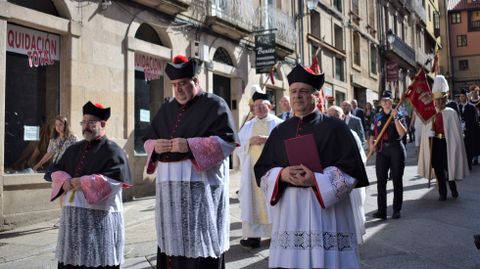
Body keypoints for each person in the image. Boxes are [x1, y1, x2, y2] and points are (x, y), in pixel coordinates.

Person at [254, 64, 369, 269]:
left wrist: (316, 179)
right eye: (294, 92)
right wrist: (281, 174)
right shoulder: (279, 131)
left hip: (324, 214)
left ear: (316, 96)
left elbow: (351, 172)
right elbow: (262, 169)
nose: (298, 96)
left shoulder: (336, 128)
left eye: (304, 91)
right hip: (289, 212)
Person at [143, 55, 238, 269]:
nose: (178, 90)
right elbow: (148, 140)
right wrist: (155, 147)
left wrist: (190, 146)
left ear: (196, 81)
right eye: (174, 85)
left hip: (201, 194)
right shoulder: (166, 108)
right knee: (172, 247)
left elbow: (228, 142)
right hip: (170, 196)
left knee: (200, 249)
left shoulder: (214, 104)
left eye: (183, 83)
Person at [47, 101, 133, 269]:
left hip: (99, 220)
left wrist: (82, 182)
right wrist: (65, 181)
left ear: (102, 124)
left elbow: (114, 181)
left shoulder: (113, 151)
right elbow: (55, 170)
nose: (86, 126)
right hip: (73, 217)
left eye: (91, 122)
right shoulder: (73, 149)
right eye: (83, 122)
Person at [236, 92, 283, 249]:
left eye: (263, 106)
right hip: (251, 173)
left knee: (272, 199)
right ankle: (253, 237)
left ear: (269, 107)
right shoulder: (248, 126)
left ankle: (274, 234)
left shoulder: (279, 124)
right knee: (251, 202)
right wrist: (249, 141)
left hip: (272, 171)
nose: (260, 109)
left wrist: (268, 140)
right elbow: (238, 146)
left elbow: (286, 143)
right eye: (257, 107)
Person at [418, 75, 469, 200]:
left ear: (445, 100)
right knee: (439, 168)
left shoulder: (451, 113)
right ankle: (442, 192)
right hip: (435, 143)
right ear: (434, 100)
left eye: (442, 100)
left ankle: (453, 188)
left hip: (448, 143)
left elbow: (455, 133)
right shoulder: (431, 113)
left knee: (449, 166)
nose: (440, 103)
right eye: (438, 100)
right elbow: (426, 129)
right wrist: (429, 132)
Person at [326, 105, 367, 244]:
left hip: (349, 178)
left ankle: (353, 237)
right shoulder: (324, 136)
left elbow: (360, 157)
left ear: (343, 117)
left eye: (336, 115)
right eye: (329, 115)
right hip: (331, 181)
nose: (332, 118)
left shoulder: (351, 134)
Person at [370, 90, 407, 220]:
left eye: (388, 100)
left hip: (396, 148)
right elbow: (372, 133)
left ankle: (396, 209)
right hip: (382, 150)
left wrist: (395, 118)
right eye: (383, 100)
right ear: (380, 103)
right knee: (381, 181)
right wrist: (371, 145)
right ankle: (381, 211)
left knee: (397, 180)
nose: (385, 102)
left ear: (392, 102)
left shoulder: (399, 114)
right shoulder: (377, 116)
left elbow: (402, 133)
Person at [458, 88, 480, 170]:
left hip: (469, 131)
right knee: (462, 148)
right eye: (460, 96)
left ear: (466, 97)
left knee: (469, 148)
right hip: (460, 131)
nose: (461, 98)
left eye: (463, 96)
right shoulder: (458, 107)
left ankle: (469, 164)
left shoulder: (471, 107)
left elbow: (474, 120)